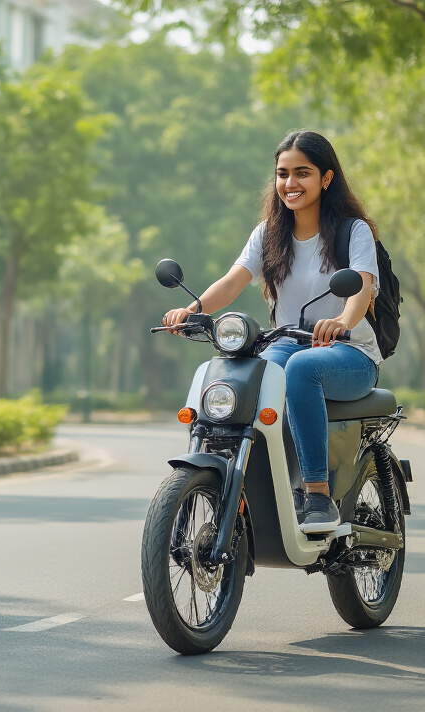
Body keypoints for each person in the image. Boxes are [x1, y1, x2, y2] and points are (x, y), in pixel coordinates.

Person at [162, 130, 381, 532]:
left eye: (303, 173)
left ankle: (317, 496)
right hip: (287, 344)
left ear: (326, 179)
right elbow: (233, 281)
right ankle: (238, 482)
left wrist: (341, 324)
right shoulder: (269, 234)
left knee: (301, 371)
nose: (290, 184)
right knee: (246, 372)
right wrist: (192, 310)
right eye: (282, 174)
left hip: (351, 354)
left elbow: (362, 289)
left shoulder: (354, 232)